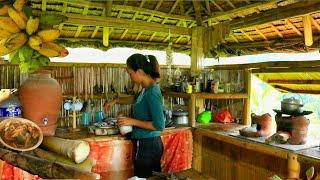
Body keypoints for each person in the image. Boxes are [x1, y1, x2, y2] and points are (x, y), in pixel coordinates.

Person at [104, 53, 165, 178]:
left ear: (140, 71)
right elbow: (134, 99)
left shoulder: (152, 92)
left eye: (130, 73)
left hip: (149, 145)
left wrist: (132, 121)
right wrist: (115, 101)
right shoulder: (145, 89)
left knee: (144, 177)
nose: (130, 77)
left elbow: (159, 125)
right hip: (144, 143)